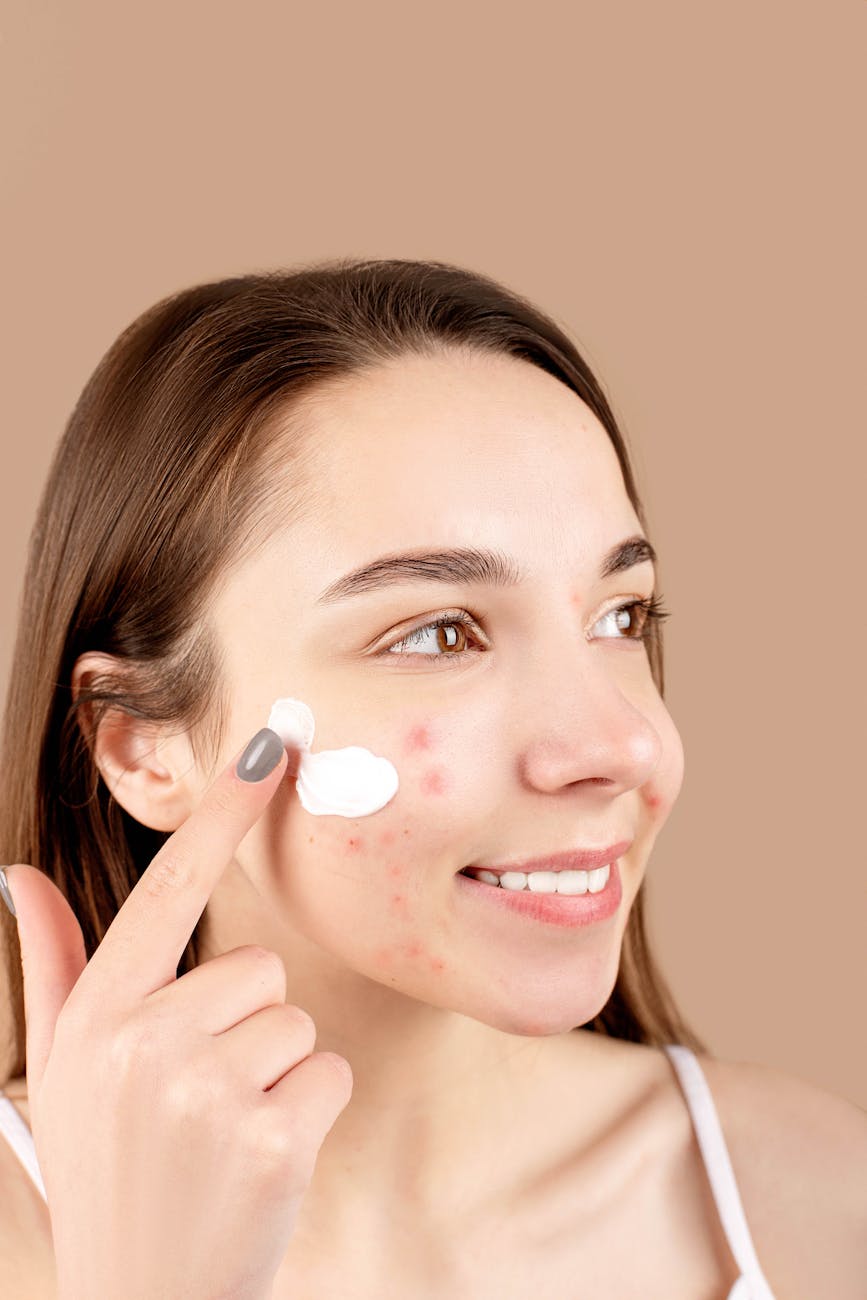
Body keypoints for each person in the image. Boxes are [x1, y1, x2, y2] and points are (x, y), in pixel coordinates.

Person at [0, 259, 863, 1297]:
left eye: (621, 616)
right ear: (141, 742)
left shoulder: (817, 1203)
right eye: (441, 633)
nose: (622, 745)